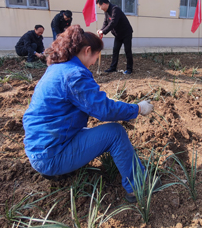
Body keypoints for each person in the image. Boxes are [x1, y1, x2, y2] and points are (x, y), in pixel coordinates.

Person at [22, 25, 154, 202]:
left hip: (40, 148)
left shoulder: (57, 68)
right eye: (96, 57)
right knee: (115, 133)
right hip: (51, 156)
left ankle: (61, 170)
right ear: (88, 50)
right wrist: (138, 108)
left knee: (89, 131)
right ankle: (139, 186)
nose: (94, 63)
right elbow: (105, 110)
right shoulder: (74, 75)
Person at [96, 0, 134, 75]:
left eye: (100, 7)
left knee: (127, 51)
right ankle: (113, 68)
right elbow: (106, 23)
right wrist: (101, 30)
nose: (100, 9)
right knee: (115, 50)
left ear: (103, 4)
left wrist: (104, 31)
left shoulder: (115, 9)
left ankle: (129, 69)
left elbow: (113, 23)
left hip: (126, 33)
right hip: (118, 35)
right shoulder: (106, 11)